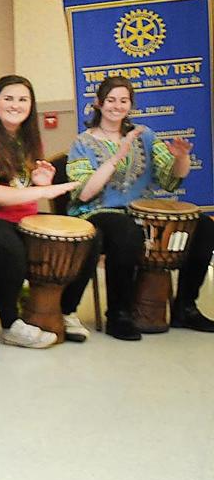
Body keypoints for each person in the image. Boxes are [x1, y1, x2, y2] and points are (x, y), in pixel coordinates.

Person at [66, 75, 211, 338]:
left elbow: (170, 179)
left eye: (124, 100)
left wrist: (182, 157)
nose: (117, 106)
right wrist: (118, 155)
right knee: (126, 231)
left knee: (202, 227)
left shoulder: (145, 136)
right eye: (111, 100)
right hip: (99, 212)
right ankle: (119, 314)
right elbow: (84, 193)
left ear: (130, 105)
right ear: (98, 103)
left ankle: (185, 307)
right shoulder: (82, 143)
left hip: (140, 211)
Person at [0, 75, 90, 347]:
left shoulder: (26, 139)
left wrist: (40, 182)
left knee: (86, 240)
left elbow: (23, 188)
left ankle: (62, 311)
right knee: (9, 244)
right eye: (8, 98)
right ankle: (11, 323)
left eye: (23, 99)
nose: (16, 105)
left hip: (23, 218)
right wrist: (43, 192)